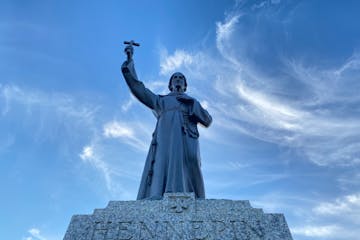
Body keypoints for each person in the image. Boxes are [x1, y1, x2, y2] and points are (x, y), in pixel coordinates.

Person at [121, 45, 212, 200]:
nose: (178, 79)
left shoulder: (191, 102)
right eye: (175, 77)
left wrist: (192, 103)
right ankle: (161, 195)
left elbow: (207, 120)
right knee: (164, 162)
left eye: (181, 78)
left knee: (192, 163)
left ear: (185, 85)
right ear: (170, 84)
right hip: (166, 137)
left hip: (187, 138)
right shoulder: (161, 101)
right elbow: (139, 89)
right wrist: (129, 61)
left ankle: (196, 198)